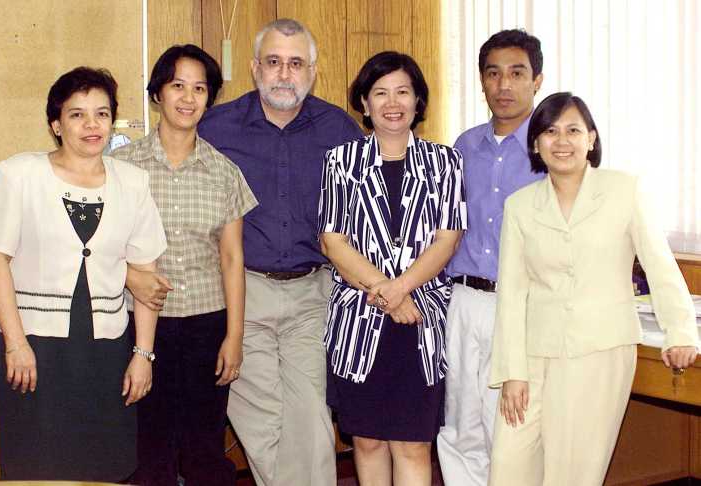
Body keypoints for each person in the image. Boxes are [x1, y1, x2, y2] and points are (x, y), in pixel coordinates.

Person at [489, 92, 699, 486]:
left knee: (572, 472)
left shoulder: (624, 190)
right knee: (508, 466)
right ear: (535, 144)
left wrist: (680, 332)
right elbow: (513, 295)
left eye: (573, 130)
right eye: (550, 131)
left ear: (591, 139)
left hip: (599, 351)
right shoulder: (520, 206)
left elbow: (659, 265)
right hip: (533, 353)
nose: (562, 141)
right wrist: (512, 371)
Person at [197, 18, 363, 486]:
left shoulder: (339, 129)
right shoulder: (216, 127)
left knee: (310, 417)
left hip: (312, 293)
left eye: (295, 63)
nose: (284, 74)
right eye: (273, 62)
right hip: (242, 293)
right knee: (260, 421)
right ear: (255, 68)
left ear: (312, 71)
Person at [0, 67, 166, 481]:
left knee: (104, 466)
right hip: (34, 349)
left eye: (102, 114)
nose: (91, 124)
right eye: (77, 114)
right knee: (36, 467)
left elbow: (146, 278)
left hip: (106, 350)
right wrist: (15, 344)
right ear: (56, 124)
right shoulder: (19, 174)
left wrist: (143, 355)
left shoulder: (133, 183)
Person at [319, 50, 466, 486]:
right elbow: (333, 241)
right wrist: (388, 293)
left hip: (420, 319)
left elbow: (448, 238)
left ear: (418, 100)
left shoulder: (445, 162)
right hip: (360, 319)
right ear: (364, 104)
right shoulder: (340, 161)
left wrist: (401, 289)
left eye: (403, 91)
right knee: (366, 442)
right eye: (380, 93)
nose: (392, 102)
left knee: (413, 444)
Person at [113, 44, 257, 486]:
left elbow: (232, 259)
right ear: (158, 93)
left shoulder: (224, 171)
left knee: (204, 448)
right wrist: (130, 276)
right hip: (138, 325)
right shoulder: (120, 166)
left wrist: (234, 336)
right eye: (178, 85)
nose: (188, 98)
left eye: (199, 88)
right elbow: (99, 248)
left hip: (204, 325)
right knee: (147, 447)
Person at [437, 29, 544, 486]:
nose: (504, 85)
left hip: (522, 305)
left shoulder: (550, 148)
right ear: (481, 81)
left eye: (517, 73)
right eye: (493, 73)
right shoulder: (463, 147)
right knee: (461, 426)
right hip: (463, 299)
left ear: (536, 81)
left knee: (510, 428)